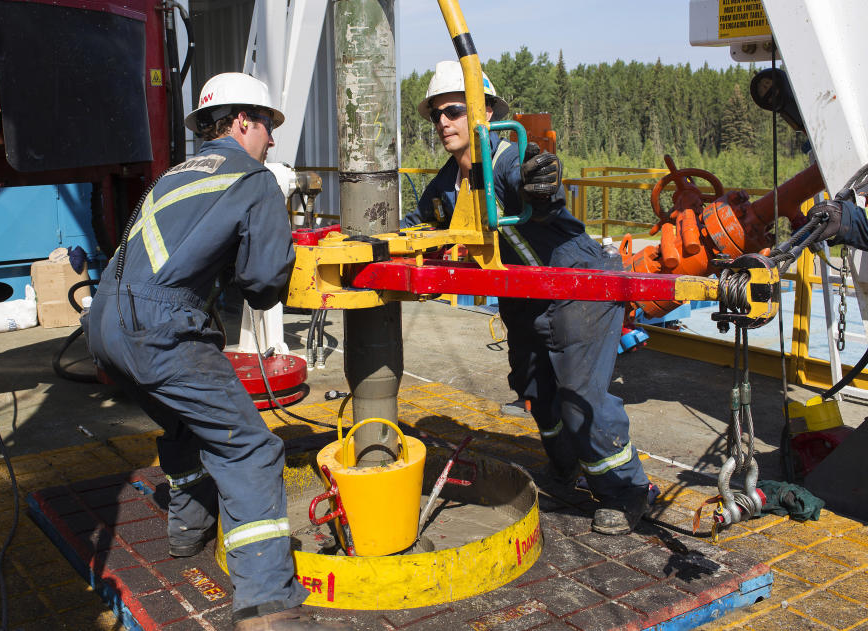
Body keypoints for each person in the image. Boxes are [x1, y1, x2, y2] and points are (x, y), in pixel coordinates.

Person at [83, 73, 342, 630]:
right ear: (244, 121)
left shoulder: (175, 174)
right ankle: (266, 606)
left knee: (186, 424)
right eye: (268, 126)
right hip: (160, 330)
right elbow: (264, 284)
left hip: (104, 325)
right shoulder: (253, 180)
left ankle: (186, 532)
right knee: (249, 450)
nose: (272, 140)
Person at [403, 60, 650, 535]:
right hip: (522, 292)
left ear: (487, 112)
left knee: (580, 399)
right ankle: (563, 469)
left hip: (578, 286)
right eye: (437, 114)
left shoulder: (508, 161)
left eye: (453, 110)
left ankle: (625, 489)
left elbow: (541, 188)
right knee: (535, 390)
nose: (443, 123)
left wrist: (546, 182)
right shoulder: (445, 185)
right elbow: (421, 225)